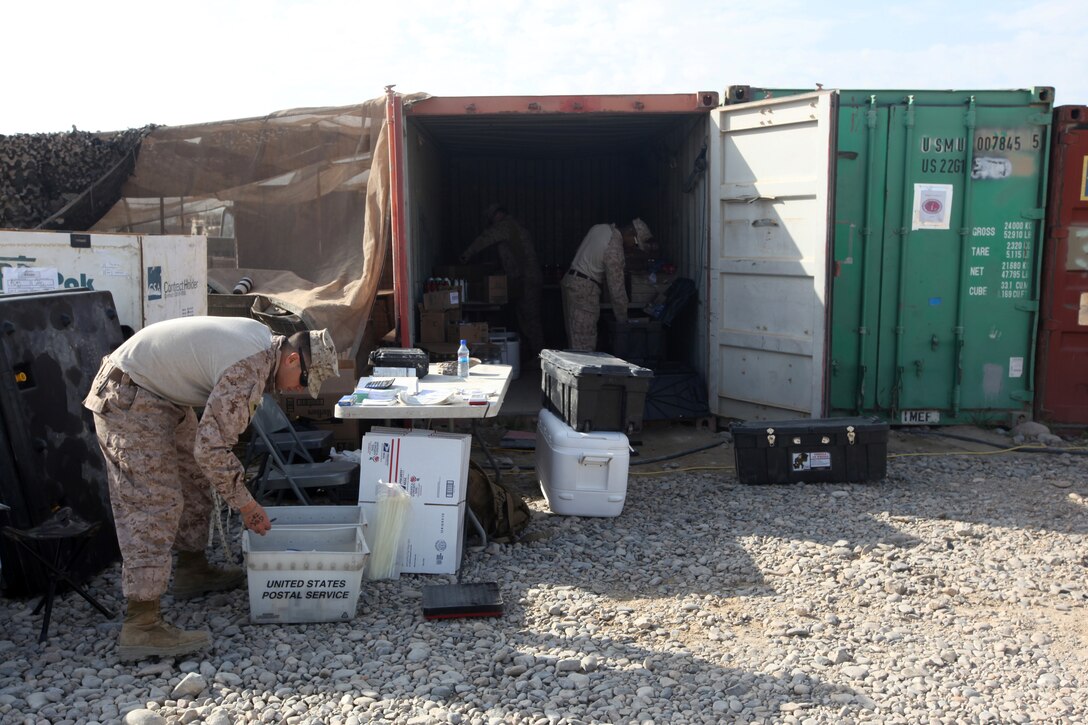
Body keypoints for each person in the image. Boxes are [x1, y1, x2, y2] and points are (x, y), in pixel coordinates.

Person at [83, 316, 340, 661]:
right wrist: (247, 505)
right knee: (153, 502)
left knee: (194, 478)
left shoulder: (264, 348)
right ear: (293, 359)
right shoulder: (250, 366)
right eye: (303, 380)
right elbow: (213, 448)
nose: (298, 390)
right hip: (130, 395)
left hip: (159, 395)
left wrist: (237, 495)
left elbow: (206, 453)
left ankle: (193, 569)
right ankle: (141, 623)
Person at [459, 204, 545, 357]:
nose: (492, 222)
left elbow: (484, 240)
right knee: (524, 317)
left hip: (527, 279)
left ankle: (539, 356)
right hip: (525, 279)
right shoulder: (514, 227)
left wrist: (466, 255)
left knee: (530, 319)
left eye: (492, 218)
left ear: (498, 215)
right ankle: (532, 354)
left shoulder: (505, 226)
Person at [561, 218, 653, 350]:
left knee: (575, 337)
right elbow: (617, 290)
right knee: (584, 343)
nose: (633, 247)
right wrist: (623, 320)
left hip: (570, 282)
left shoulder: (600, 228)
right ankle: (586, 371)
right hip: (584, 290)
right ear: (631, 233)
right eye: (636, 243)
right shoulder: (614, 248)